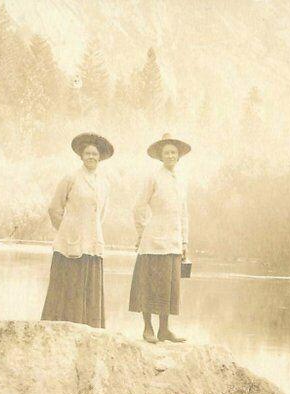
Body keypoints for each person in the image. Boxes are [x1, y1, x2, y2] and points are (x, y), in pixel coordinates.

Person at [41, 132, 114, 329]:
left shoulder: (104, 183)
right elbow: (54, 209)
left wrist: (91, 230)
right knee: (69, 283)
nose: (91, 157)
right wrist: (65, 230)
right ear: (81, 156)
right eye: (88, 153)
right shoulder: (71, 178)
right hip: (69, 243)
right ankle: (62, 326)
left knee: (89, 286)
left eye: (95, 154)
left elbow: (102, 214)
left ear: (100, 158)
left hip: (92, 241)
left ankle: (89, 327)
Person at [129, 133, 191, 344]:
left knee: (168, 286)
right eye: (167, 153)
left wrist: (184, 242)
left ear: (178, 156)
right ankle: (148, 328)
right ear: (160, 156)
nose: (170, 156)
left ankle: (164, 330)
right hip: (153, 240)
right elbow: (138, 206)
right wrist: (143, 230)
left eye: (174, 152)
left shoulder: (182, 180)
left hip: (173, 241)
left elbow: (183, 212)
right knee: (148, 284)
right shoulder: (153, 177)